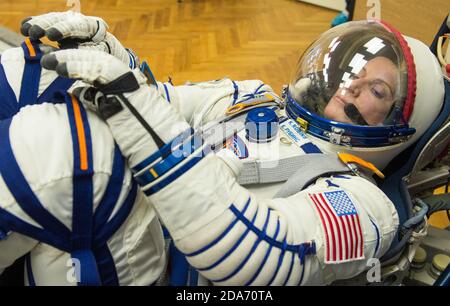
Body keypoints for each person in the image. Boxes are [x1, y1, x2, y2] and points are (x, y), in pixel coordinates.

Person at [39, 18, 445, 286]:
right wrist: (109, 58)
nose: (352, 86)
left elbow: (250, 255)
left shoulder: (364, 204)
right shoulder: (252, 97)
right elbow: (150, 102)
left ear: (398, 125)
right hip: (102, 212)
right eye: (355, 72)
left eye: (378, 90)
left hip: (153, 270)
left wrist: (156, 144)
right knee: (34, 82)